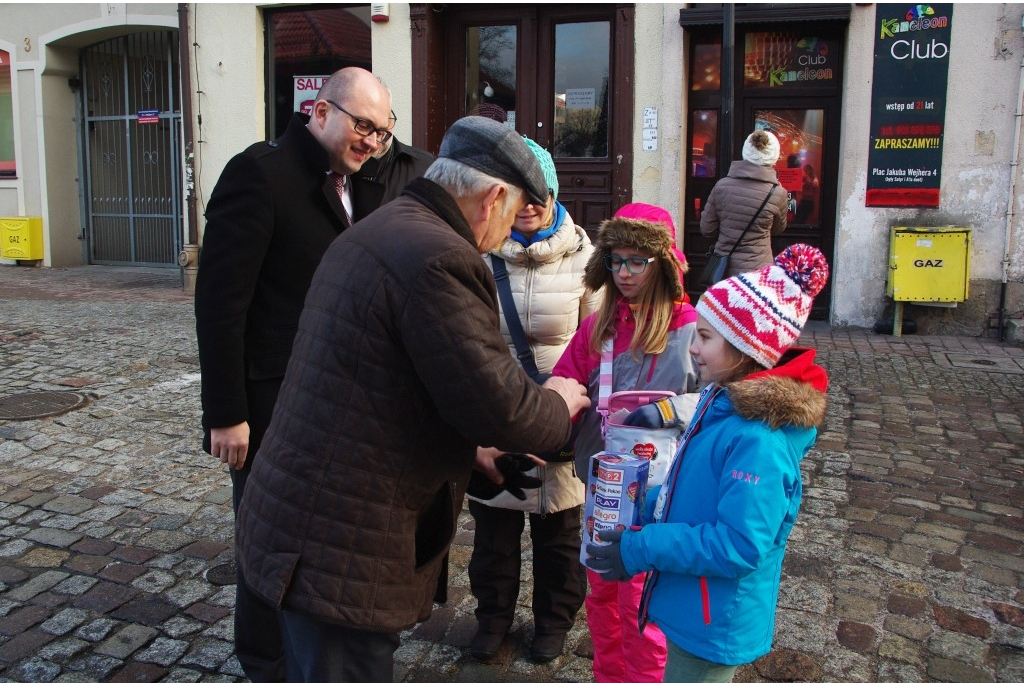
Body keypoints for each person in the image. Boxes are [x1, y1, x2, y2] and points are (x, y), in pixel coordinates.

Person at [233, 115, 591, 682]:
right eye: (511, 212)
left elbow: (382, 379)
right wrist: (560, 402)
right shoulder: (440, 258)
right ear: (494, 196)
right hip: (337, 544)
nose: (503, 236)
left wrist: (466, 450)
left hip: (295, 520)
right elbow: (501, 407)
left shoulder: (389, 225)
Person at [194, 66, 430, 682]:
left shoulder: (366, 182)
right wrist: (225, 412)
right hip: (270, 403)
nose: (372, 143)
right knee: (265, 537)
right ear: (319, 112)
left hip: (340, 403)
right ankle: (265, 660)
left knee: (315, 539)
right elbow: (221, 305)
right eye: (363, 127)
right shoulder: (260, 174)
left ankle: (309, 654)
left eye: (382, 132)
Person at [586, 244, 830, 683]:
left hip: (715, 618)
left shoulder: (758, 440)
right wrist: (641, 502)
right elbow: (693, 487)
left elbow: (739, 545)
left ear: (744, 348)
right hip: (694, 601)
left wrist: (639, 547)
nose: (693, 348)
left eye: (705, 337)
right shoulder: (720, 404)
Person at [467, 137, 601, 663]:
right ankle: (492, 620)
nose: (530, 205)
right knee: (493, 537)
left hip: (561, 419)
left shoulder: (588, 259)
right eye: (521, 193)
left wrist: (564, 406)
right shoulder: (476, 255)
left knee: (560, 537)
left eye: (540, 193)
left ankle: (553, 623)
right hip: (497, 418)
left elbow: (598, 343)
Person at [552, 204, 700, 682]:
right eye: (615, 260)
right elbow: (564, 385)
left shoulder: (693, 329)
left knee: (643, 599)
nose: (625, 273)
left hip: (666, 493)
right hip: (605, 487)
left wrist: (672, 410)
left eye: (638, 261)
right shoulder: (598, 329)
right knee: (601, 590)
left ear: (663, 264)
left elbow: (723, 401)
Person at [700, 129, 789, 277]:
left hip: (725, 271)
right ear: (774, 157)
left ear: (745, 152)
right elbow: (778, 229)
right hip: (759, 272)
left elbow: (707, 229)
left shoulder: (722, 186)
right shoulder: (778, 193)